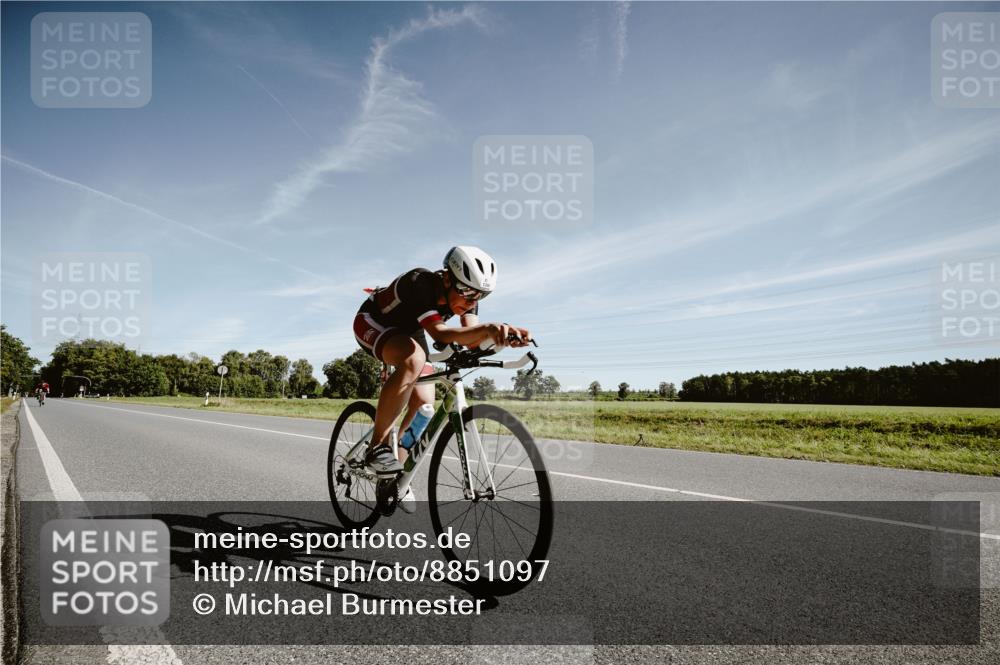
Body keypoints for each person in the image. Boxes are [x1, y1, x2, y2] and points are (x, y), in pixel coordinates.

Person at [353, 246, 532, 492]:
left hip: (409, 331)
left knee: (425, 403)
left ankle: (393, 479)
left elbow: (471, 338)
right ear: (447, 277)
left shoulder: (468, 300)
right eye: (467, 291)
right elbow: (442, 333)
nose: (472, 301)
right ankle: (377, 448)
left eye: (480, 295)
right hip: (374, 321)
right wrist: (489, 328)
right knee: (413, 359)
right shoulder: (420, 282)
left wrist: (504, 336)